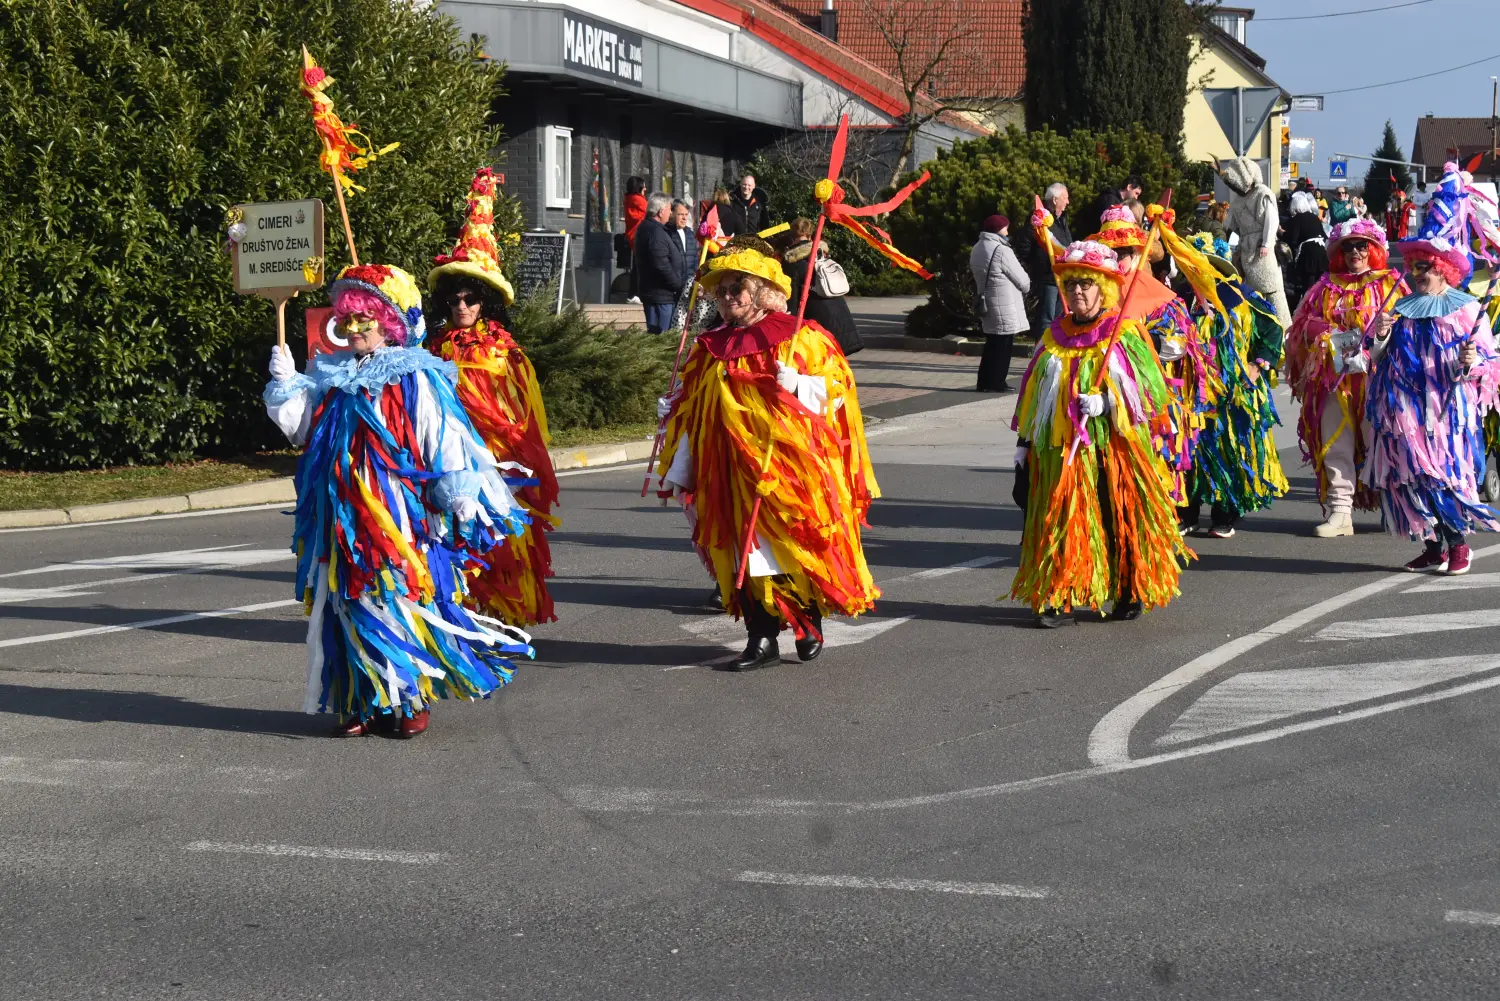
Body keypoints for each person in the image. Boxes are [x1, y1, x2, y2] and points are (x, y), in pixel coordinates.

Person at [264, 262, 533, 738]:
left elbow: (441, 434)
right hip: (340, 513)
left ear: (387, 323)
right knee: (345, 601)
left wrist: (459, 493)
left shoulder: (415, 375)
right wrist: (286, 385)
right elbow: (303, 430)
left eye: (363, 320)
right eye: (347, 320)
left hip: (397, 514)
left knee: (396, 596)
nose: (353, 330)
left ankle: (407, 699)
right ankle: (360, 698)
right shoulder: (330, 374)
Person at [655, 236, 880, 669]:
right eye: (720, 289)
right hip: (728, 470)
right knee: (742, 551)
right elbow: (696, 405)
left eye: (736, 286)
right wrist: (675, 412)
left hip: (786, 469)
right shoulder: (710, 347)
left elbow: (838, 392)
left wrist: (801, 385)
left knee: (788, 544)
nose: (726, 296)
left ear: (761, 290)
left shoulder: (801, 337)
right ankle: (759, 637)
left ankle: (807, 621)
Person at [1010, 239, 1191, 627]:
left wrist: (1108, 402)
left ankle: (1128, 591)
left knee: (1115, 516)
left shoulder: (1122, 333)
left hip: (1114, 449)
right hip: (1061, 452)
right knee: (1059, 519)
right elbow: (1034, 399)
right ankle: (1058, 595)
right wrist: (1024, 444)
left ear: (1103, 287)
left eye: (1086, 284)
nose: (1078, 291)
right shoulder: (1052, 337)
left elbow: (1150, 393)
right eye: (1072, 283)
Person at [429, 167, 560, 627]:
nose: (462, 306)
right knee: (453, 535)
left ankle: (504, 613)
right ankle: (465, 615)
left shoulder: (505, 351)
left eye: (471, 298)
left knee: (502, 536)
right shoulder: (431, 350)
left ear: (486, 301)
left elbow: (524, 414)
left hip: (498, 459)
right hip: (449, 457)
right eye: (454, 300)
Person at [1366, 233, 1500, 574]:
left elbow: (1489, 363)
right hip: (1406, 411)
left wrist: (1470, 361)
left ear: (1443, 270)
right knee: (1410, 478)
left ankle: (1458, 546)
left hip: (1448, 411)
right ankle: (1433, 547)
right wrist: (1381, 335)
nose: (1416, 273)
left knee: (1443, 477)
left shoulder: (1468, 310)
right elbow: (1378, 358)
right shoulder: (1402, 311)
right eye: (1414, 266)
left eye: (1424, 267)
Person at [1162, 227, 1290, 537]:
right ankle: (1186, 513)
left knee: (1228, 451)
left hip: (1234, 391)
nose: (1197, 270)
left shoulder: (1243, 297)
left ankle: (1224, 516)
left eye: (1202, 264)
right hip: (1191, 391)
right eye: (1192, 265)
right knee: (1189, 450)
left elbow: (1273, 330)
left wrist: (1258, 363)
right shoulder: (1181, 299)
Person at [1284, 219, 1407, 537]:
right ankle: (1341, 512)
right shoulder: (1325, 286)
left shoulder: (1389, 284)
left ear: (1374, 249)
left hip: (1378, 381)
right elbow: (1301, 324)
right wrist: (1328, 334)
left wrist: (1384, 332)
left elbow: (1410, 329)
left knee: (1382, 441)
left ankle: (1395, 507)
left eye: (1362, 245)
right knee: (1335, 442)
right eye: (1348, 246)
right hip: (1334, 380)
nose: (1355, 252)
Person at [1087, 204, 1211, 504]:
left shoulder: (1159, 296)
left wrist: (1140, 344)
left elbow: (1179, 345)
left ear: (1136, 253)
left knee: (1151, 468)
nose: (1117, 259)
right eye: (1110, 251)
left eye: (1124, 252)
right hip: (1101, 398)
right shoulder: (1094, 293)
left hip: (1150, 396)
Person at [1222, 156, 1291, 325]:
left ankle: (1281, 325)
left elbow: (1271, 220)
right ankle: (1259, 325)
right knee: (1253, 289)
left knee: (1272, 287)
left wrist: (1266, 243)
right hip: (1247, 248)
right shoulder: (1238, 201)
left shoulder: (1262, 193)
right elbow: (1231, 225)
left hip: (1261, 246)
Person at [781, 217, 863, 356]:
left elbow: (792, 299)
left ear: (792, 236)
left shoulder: (792, 262)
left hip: (818, 321)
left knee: (821, 364)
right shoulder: (822, 254)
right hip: (840, 315)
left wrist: (788, 326)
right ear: (809, 234)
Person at [968, 213, 1029, 392]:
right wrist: (1027, 287)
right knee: (1003, 345)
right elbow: (1022, 279)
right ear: (999, 229)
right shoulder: (1001, 249)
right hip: (1005, 304)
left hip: (987, 301)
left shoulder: (978, 247)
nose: (1008, 231)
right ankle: (997, 382)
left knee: (991, 344)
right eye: (1006, 228)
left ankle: (984, 382)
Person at [1015, 182, 1073, 339]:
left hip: (1061, 277)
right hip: (1047, 277)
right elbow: (1023, 247)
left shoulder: (1061, 220)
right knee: (1046, 318)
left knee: (1059, 318)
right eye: (1065, 198)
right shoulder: (1038, 219)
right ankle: (1041, 352)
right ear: (1055, 200)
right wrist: (1037, 266)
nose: (1068, 202)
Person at [634, 192, 686, 333]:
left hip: (658, 293)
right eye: (669, 210)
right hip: (660, 295)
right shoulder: (655, 232)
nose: (670, 213)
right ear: (661, 211)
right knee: (661, 336)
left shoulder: (651, 228)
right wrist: (677, 284)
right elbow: (660, 264)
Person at [1284, 190, 1329, 309]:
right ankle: (1319, 308)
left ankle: (1307, 310)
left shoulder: (1298, 218)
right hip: (1321, 252)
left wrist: (1281, 233)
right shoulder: (1314, 217)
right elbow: (1324, 236)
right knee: (1319, 285)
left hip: (1308, 254)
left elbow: (1293, 239)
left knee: (1308, 286)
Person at [621, 175, 649, 304]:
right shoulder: (638, 199)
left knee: (637, 266)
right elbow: (650, 210)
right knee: (639, 266)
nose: (646, 188)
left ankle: (633, 293)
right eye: (643, 186)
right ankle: (635, 293)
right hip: (639, 235)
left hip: (632, 235)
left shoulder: (629, 199)